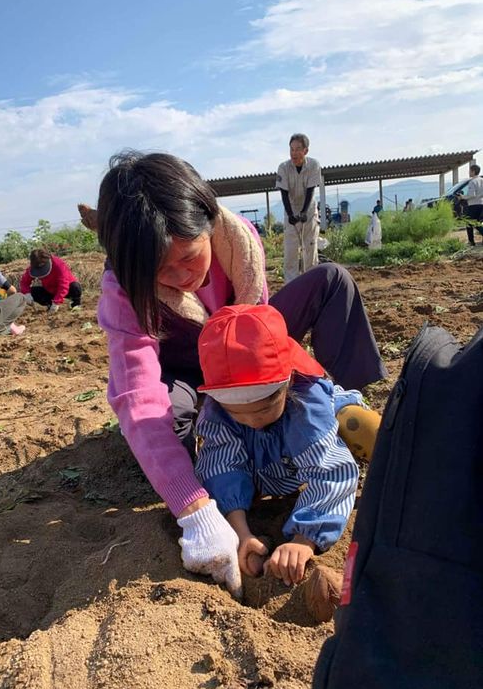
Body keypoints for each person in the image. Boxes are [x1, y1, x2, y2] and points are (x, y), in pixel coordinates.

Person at [91, 150, 386, 597]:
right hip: (192, 371)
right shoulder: (123, 291)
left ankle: (335, 408)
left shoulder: (238, 240)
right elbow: (138, 397)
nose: (182, 278)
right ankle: (233, 431)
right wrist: (195, 510)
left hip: (244, 344)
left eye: (189, 257)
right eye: (160, 271)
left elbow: (257, 331)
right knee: (176, 417)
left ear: (209, 223)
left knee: (330, 281)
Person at [195, 304, 380, 586]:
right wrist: (241, 534)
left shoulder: (306, 403)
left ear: (289, 380)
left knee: (360, 425)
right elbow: (221, 466)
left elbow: (330, 471)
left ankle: (409, 472)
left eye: (263, 409)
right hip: (271, 464)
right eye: (238, 413)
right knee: (227, 467)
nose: (253, 421)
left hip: (320, 427)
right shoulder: (219, 413)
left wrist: (305, 539)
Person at [276, 133, 322, 282]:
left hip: (308, 209)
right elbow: (284, 193)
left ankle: (311, 282)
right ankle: (292, 285)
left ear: (305, 151)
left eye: (298, 149)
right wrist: (290, 215)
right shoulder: (283, 168)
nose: (294, 153)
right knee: (291, 251)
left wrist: (304, 212)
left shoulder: (314, 165)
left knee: (310, 248)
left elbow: (311, 190)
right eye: (291, 149)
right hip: (291, 209)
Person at [460, 164, 483, 246]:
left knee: (469, 223)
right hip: (481, 204)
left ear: (473, 171)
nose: (469, 172)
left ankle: (471, 241)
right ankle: (471, 241)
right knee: (478, 223)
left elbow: (471, 195)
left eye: (469, 171)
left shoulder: (472, 182)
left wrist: (462, 197)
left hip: (473, 205)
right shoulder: (481, 180)